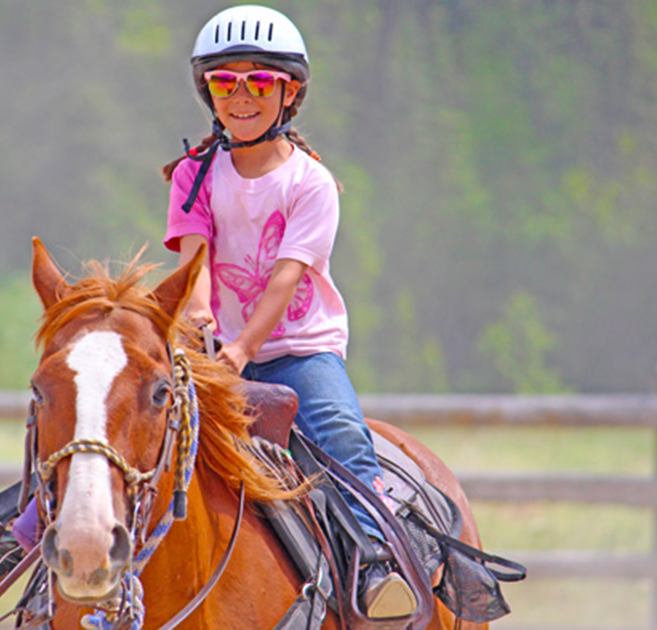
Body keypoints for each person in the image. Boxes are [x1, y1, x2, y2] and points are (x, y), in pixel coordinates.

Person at [161, 5, 416, 619]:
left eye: (259, 82)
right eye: (225, 82)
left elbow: (284, 280)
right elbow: (193, 266)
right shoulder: (194, 176)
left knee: (341, 433)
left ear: (290, 91)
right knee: (121, 419)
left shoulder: (311, 184)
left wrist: (242, 353)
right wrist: (199, 324)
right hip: (215, 349)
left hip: (300, 350)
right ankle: (26, 537)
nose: (241, 96)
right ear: (208, 93)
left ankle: (374, 561)